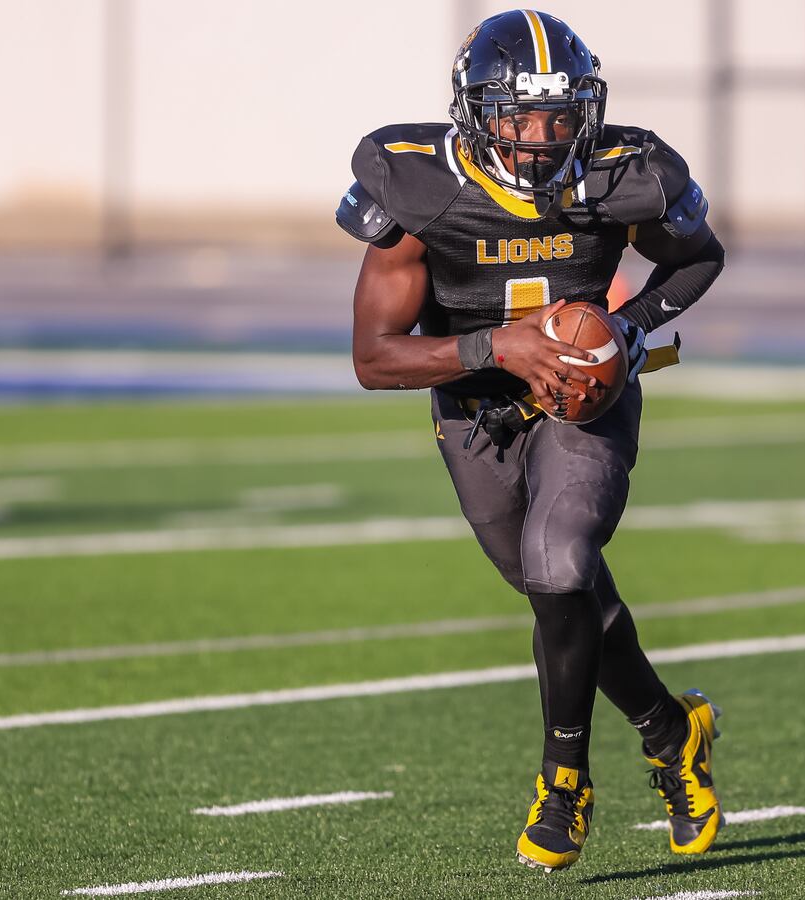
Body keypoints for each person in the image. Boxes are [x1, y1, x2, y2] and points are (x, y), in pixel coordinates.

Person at [337, 8, 726, 873]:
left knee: (559, 563)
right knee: (561, 591)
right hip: (475, 408)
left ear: (585, 112)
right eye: (517, 117)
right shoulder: (419, 189)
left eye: (558, 117)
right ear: (474, 114)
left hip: (582, 398)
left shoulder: (625, 173)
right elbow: (373, 357)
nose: (540, 139)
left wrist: (628, 332)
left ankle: (564, 780)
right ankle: (672, 730)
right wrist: (495, 346)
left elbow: (700, 257)